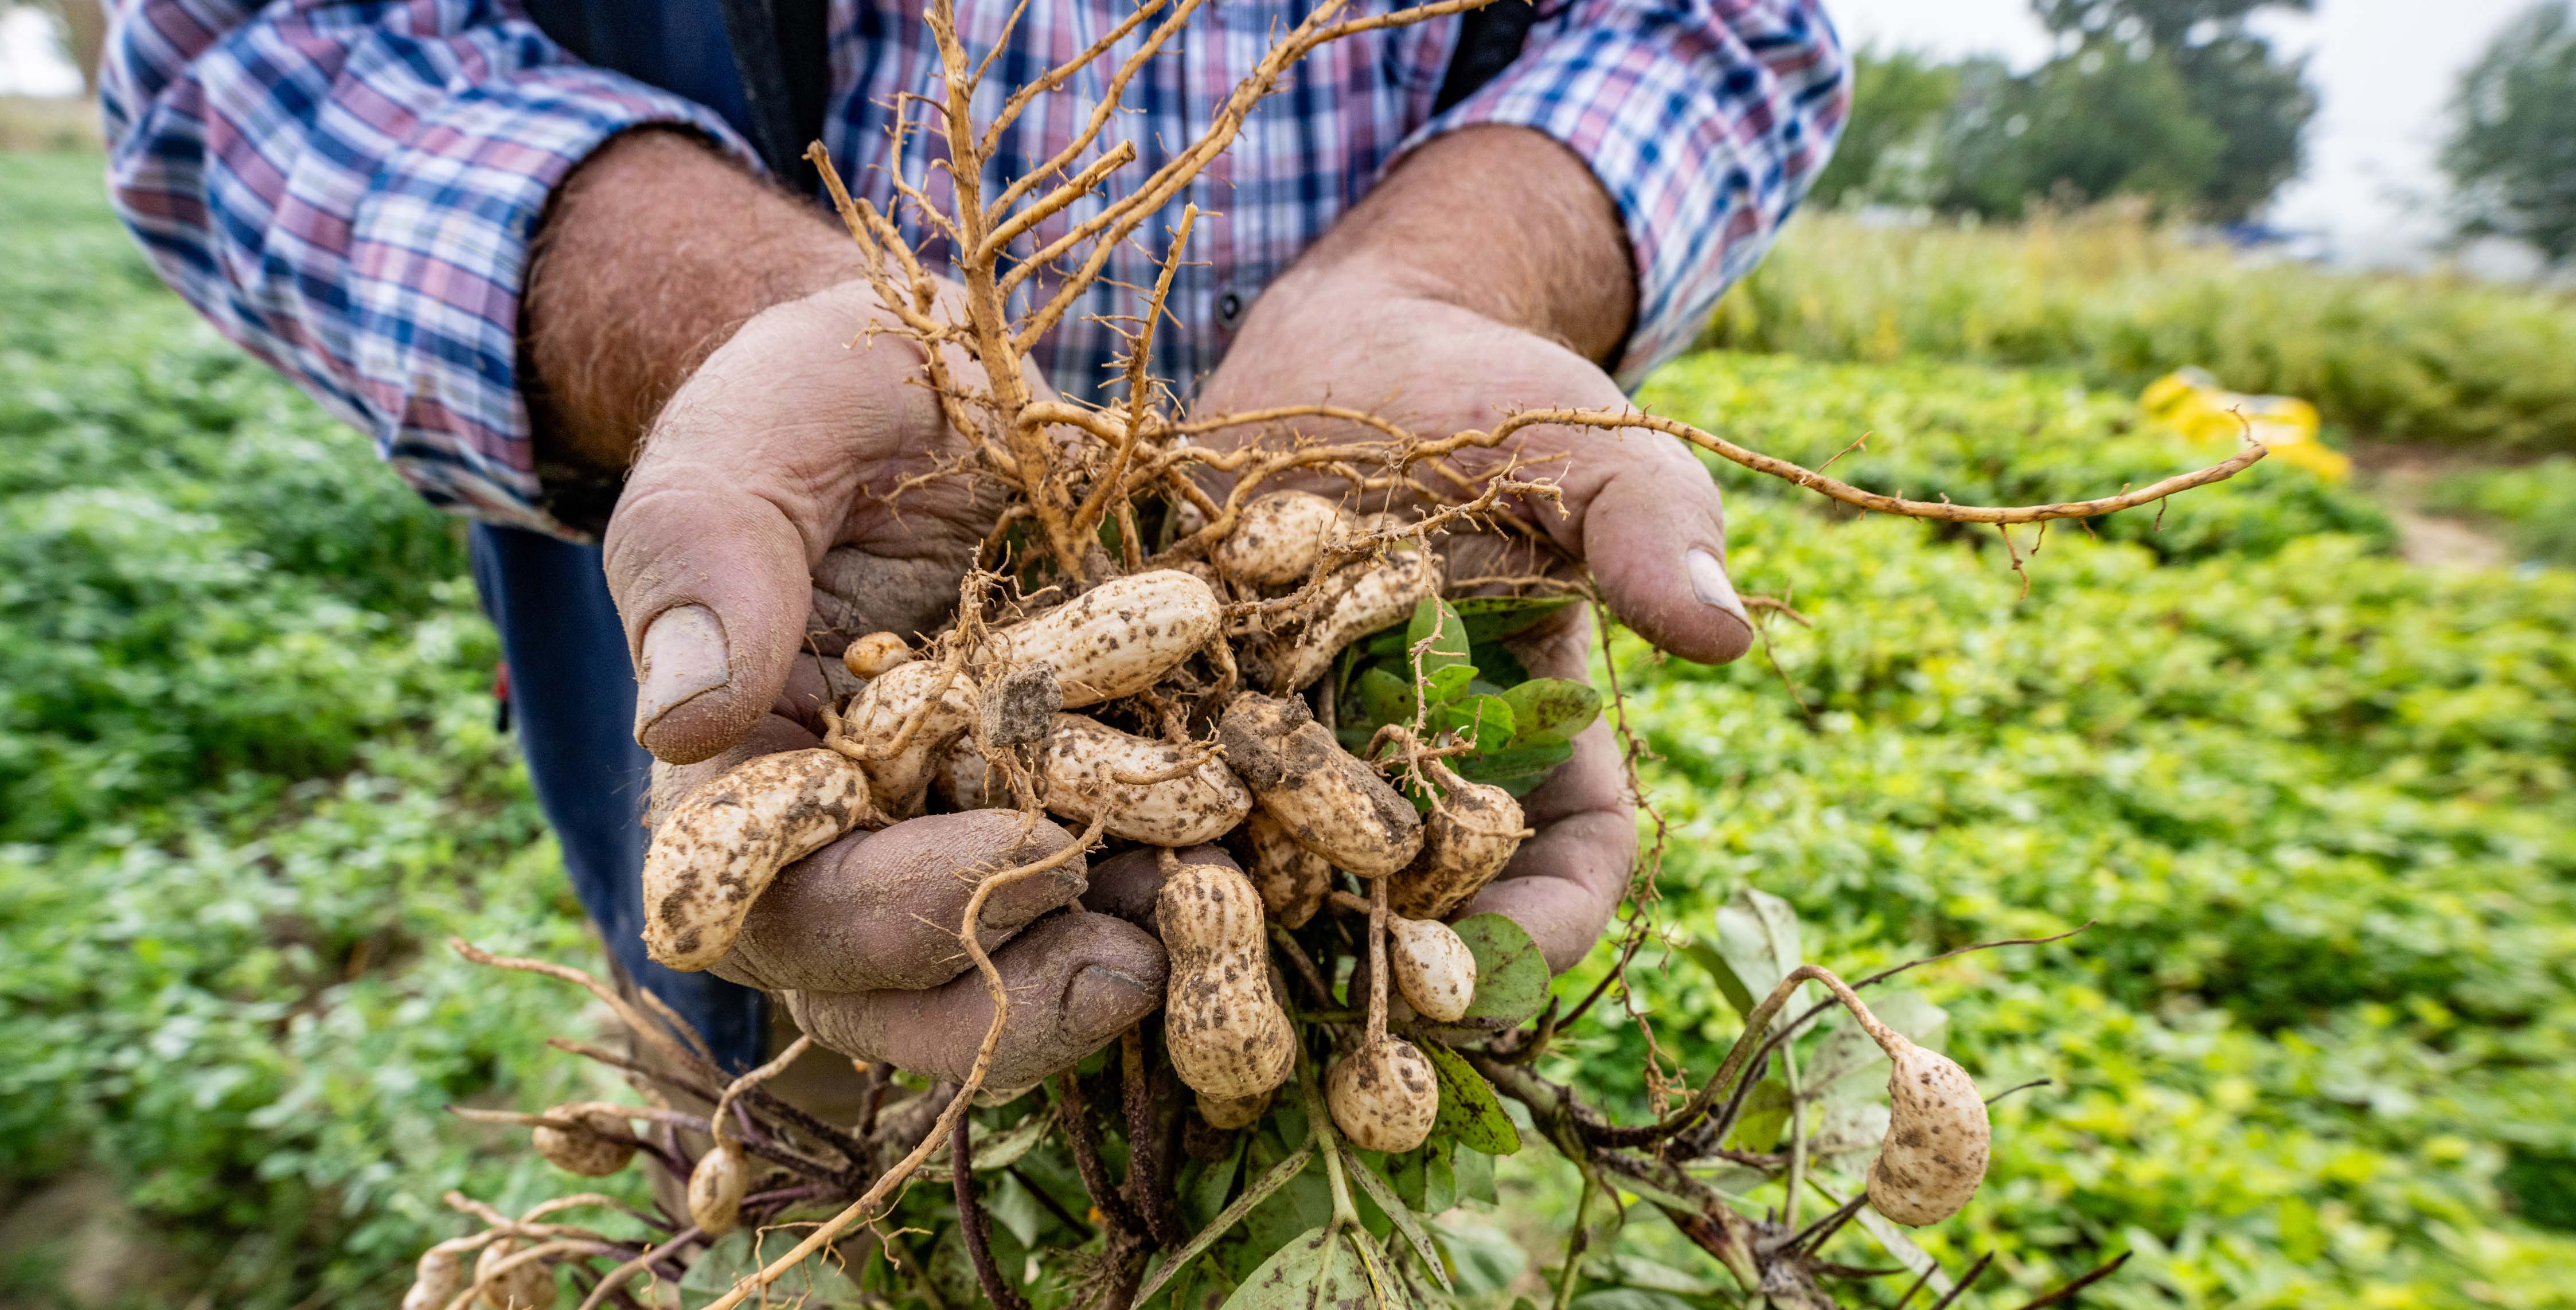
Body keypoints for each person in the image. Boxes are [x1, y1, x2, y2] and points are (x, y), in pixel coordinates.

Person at [96, 0, 1847, 1085]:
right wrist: (720, 322)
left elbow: (1722, 28)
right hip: (792, 710)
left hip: (1343, 875)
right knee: (752, 1163)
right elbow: (247, 42)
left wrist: (1441, 281)